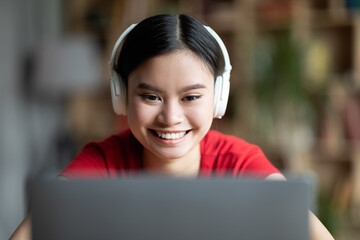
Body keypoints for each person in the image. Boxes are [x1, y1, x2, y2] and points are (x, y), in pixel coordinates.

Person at [10, 14, 334, 240]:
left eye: (191, 96)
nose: (171, 117)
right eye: (150, 96)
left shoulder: (238, 160)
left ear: (218, 98)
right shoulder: (104, 160)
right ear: (120, 95)